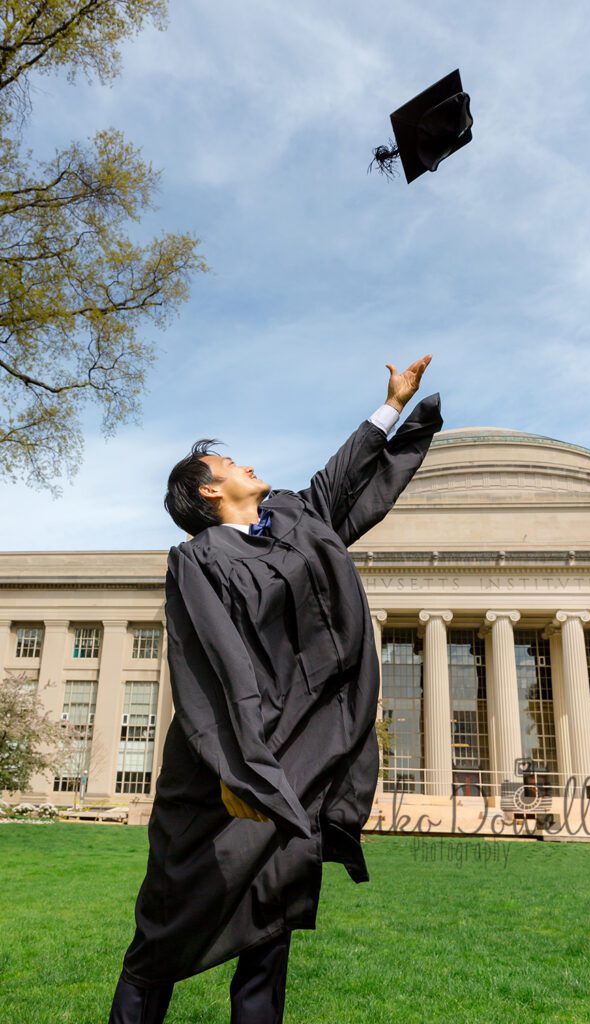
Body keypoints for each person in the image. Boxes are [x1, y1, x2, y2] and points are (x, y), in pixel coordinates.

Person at [108, 355, 443, 1023]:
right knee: (169, 924)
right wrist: (240, 766)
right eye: (230, 464)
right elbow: (213, 662)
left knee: (272, 922)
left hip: (295, 757)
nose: (247, 464)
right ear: (208, 491)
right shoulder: (200, 559)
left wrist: (392, 405)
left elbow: (339, 481)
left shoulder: (294, 521)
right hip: (223, 768)